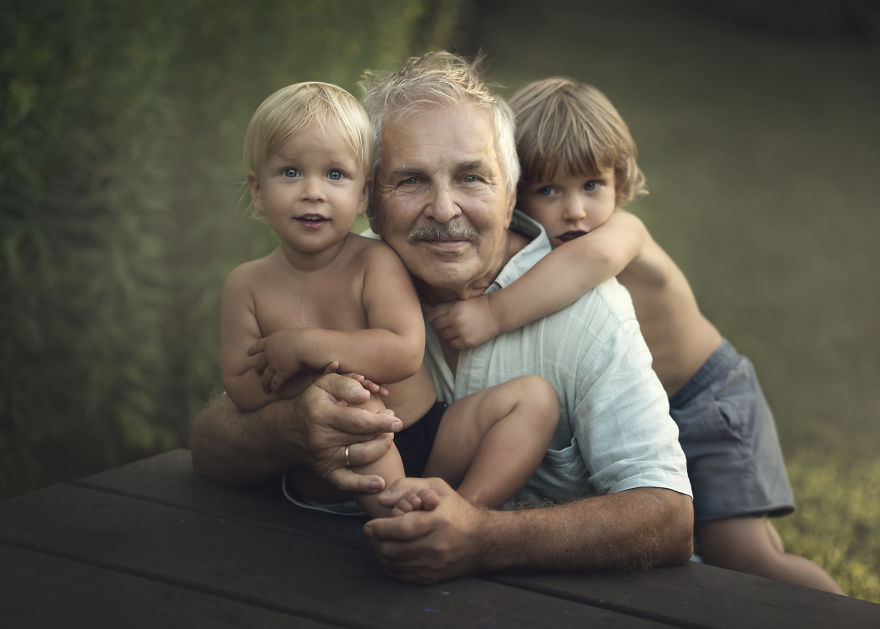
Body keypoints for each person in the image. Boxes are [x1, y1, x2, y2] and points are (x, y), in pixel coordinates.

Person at [191, 52, 694, 584]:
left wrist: (483, 536)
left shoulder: (592, 310)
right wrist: (291, 429)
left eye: (472, 177)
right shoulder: (343, 269)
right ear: (370, 203)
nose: (445, 209)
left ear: (509, 196)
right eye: (410, 181)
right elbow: (211, 445)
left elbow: (670, 518)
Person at [427, 77, 844, 594]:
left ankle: (836, 611)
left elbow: (592, 261)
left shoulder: (620, 233)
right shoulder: (544, 246)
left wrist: (493, 313)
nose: (575, 210)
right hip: (649, 407)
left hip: (705, 397)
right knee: (693, 570)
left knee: (747, 555)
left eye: (592, 186)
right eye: (550, 190)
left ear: (619, 183)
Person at [219, 81, 559, 519]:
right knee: (354, 406)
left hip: (427, 433)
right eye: (290, 172)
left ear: (363, 195)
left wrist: (304, 347)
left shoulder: (375, 261)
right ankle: (402, 520)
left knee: (534, 399)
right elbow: (242, 388)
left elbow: (403, 352)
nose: (313, 192)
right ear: (257, 191)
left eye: (335, 175)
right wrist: (324, 392)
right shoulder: (246, 285)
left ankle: (467, 512)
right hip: (339, 454)